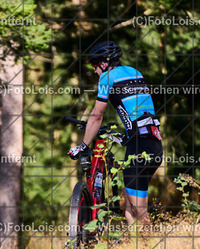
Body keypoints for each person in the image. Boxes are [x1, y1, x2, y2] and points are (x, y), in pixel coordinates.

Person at [68, 41, 162, 229]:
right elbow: (139, 111)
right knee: (130, 207)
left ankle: (152, 245)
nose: (95, 71)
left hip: (139, 146)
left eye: (95, 66)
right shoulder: (135, 72)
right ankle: (135, 244)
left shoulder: (107, 77)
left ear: (104, 63)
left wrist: (82, 146)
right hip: (154, 144)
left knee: (138, 210)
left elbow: (96, 116)